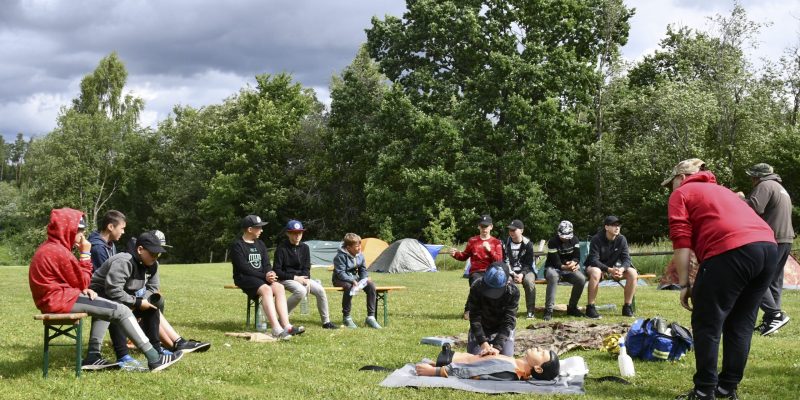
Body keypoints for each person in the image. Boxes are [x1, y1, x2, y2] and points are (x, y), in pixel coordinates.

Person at [663, 159, 777, 400]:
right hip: (768, 248)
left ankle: (704, 391)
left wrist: (684, 285)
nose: (670, 189)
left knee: (707, 322)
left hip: (732, 250)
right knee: (741, 323)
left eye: (671, 183)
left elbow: (681, 242)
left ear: (681, 177)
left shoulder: (682, 192)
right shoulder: (724, 191)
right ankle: (727, 388)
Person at [28, 208, 182, 372]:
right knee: (121, 310)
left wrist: (83, 290)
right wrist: (85, 253)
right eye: (79, 231)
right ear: (66, 230)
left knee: (105, 307)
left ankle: (93, 357)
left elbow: (75, 282)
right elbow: (84, 280)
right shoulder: (59, 252)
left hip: (58, 297)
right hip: (59, 299)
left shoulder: (51, 248)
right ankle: (155, 358)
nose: (82, 236)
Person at [91, 231, 211, 358]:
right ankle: (123, 357)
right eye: (152, 253)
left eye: (157, 253)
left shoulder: (153, 264)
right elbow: (113, 290)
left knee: (151, 309)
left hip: (122, 297)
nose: (155, 256)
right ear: (140, 249)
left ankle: (157, 349)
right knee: (121, 309)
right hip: (99, 296)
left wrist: (142, 301)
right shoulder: (124, 261)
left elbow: (153, 288)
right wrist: (136, 302)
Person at [738, 163, 794, 336]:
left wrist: (739, 198)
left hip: (772, 238)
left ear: (758, 177)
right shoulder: (779, 187)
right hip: (786, 238)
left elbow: (754, 208)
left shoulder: (765, 185)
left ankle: (774, 314)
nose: (751, 180)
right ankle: (773, 323)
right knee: (773, 281)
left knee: (755, 278)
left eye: (753, 177)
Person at [230, 215, 305, 339]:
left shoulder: (260, 244)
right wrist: (265, 276)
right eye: (259, 227)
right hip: (244, 278)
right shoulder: (238, 245)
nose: (261, 230)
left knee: (279, 287)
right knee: (266, 289)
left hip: (261, 277)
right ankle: (276, 329)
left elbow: (266, 264)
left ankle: (286, 326)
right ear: (250, 229)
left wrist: (270, 273)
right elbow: (244, 268)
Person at [273, 219, 337, 329]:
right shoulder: (281, 249)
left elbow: (307, 267)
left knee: (320, 290)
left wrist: (306, 279)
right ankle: (282, 319)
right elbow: (277, 271)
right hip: (286, 278)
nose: (297, 236)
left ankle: (326, 322)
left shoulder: (305, 248)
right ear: (288, 233)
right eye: (294, 233)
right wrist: (295, 278)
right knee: (300, 291)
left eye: (300, 233)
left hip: (302, 278)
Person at [449, 214, 503, 319]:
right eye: (482, 226)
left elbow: (499, 261)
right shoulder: (472, 241)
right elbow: (464, 256)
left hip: (492, 271)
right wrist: (455, 254)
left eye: (486, 226)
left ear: (491, 227)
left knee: (490, 288)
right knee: (477, 284)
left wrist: (490, 250)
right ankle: (468, 310)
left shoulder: (496, 243)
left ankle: (489, 311)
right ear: (479, 226)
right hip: (476, 271)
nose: (484, 229)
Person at [584, 215, 638, 318]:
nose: (617, 228)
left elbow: (627, 259)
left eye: (618, 225)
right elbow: (593, 260)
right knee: (596, 272)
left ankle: (627, 307)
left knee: (633, 273)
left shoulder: (622, 239)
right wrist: (608, 269)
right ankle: (590, 308)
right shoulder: (596, 239)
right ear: (606, 227)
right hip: (594, 267)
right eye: (613, 225)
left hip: (612, 269)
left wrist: (621, 269)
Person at [415, 345, 560, 381]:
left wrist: (434, 371)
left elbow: (471, 371)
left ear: (538, 369)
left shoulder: (511, 370)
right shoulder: (515, 364)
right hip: (451, 360)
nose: (539, 348)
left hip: (451, 364)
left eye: (542, 353)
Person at [466, 262, 519, 357]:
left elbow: (509, 321)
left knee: (506, 357)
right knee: (475, 358)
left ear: (507, 282)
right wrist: (483, 343)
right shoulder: (476, 287)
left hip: (502, 327)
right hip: (482, 325)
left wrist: (497, 347)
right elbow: (474, 318)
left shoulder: (513, 292)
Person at [332, 233, 381, 329]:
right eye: (357, 246)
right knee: (349, 287)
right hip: (339, 279)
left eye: (359, 245)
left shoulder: (360, 255)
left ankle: (371, 317)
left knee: (371, 285)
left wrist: (365, 279)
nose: (359, 248)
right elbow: (340, 273)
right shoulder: (340, 257)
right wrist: (351, 280)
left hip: (354, 278)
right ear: (348, 247)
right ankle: (346, 318)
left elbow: (363, 270)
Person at [543, 221, 586, 320]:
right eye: (563, 236)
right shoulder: (553, 242)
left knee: (581, 279)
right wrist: (568, 267)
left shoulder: (575, 240)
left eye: (567, 237)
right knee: (553, 277)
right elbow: (556, 263)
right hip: (552, 268)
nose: (565, 239)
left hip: (568, 268)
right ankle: (548, 310)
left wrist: (574, 263)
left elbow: (577, 257)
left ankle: (572, 308)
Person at [502, 219, 537, 319]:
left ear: (521, 230)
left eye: (514, 230)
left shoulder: (528, 244)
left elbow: (529, 264)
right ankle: (510, 311)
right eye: (510, 230)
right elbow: (504, 260)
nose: (511, 232)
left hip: (527, 270)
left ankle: (530, 312)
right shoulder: (505, 243)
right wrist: (512, 273)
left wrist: (522, 274)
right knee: (506, 281)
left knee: (529, 282)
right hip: (509, 270)